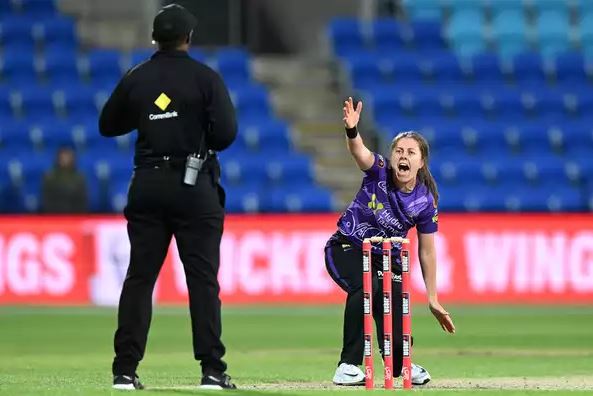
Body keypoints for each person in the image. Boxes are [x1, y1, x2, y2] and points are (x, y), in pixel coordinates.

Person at [98, 3, 237, 390]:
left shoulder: (137, 76)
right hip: (195, 188)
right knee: (202, 280)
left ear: (154, 39)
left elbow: (108, 124)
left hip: (148, 184)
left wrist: (147, 115)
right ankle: (212, 369)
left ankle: (124, 371)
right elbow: (226, 134)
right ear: (188, 38)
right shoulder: (206, 78)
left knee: (140, 278)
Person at [325, 97, 456, 386]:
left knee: (396, 321)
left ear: (421, 162)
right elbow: (360, 153)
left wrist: (433, 297)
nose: (402, 156)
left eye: (410, 152)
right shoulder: (379, 170)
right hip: (347, 247)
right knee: (365, 284)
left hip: (386, 259)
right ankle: (347, 365)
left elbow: (427, 251)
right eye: (398, 150)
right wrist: (352, 131)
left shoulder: (425, 201)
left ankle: (402, 363)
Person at [41, 146, 88, 213]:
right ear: (58, 158)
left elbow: (82, 201)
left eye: (67, 157)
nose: (65, 160)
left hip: (75, 217)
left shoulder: (80, 177)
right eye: (63, 157)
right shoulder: (49, 177)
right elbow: (46, 200)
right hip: (54, 217)